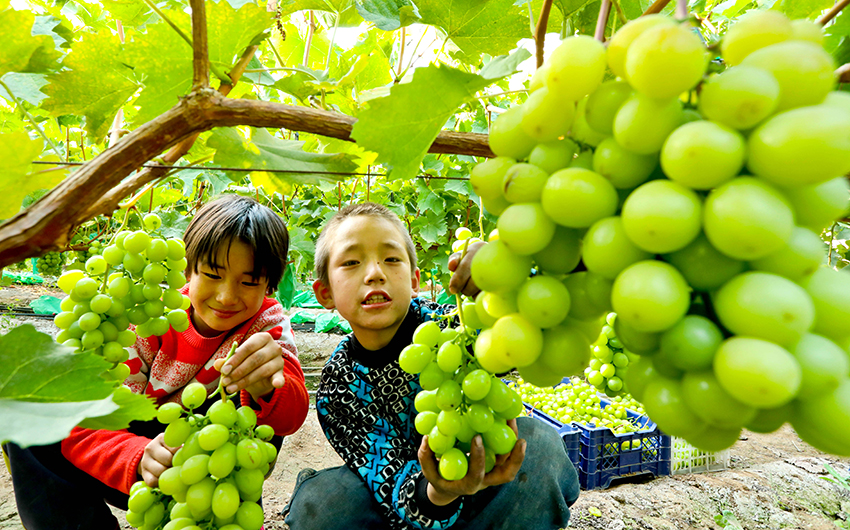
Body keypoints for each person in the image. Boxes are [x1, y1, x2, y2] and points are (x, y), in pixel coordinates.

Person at [5, 195, 309, 530]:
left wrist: (268, 385)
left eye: (249, 281)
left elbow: (291, 415)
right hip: (133, 454)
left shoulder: (266, 327)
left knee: (261, 385)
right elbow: (80, 419)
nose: (226, 296)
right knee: (30, 414)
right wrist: (134, 457)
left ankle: (221, 513)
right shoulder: (148, 318)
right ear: (188, 270)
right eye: (212, 274)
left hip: (210, 469)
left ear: (269, 285)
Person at [282, 202, 579, 530]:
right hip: (413, 503)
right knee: (322, 503)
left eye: (391, 259)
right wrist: (440, 491)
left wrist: (504, 277)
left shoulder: (453, 328)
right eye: (351, 262)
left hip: (484, 481)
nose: (375, 273)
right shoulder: (337, 387)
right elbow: (386, 478)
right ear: (324, 293)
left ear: (414, 281)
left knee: (539, 444)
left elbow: (520, 337)